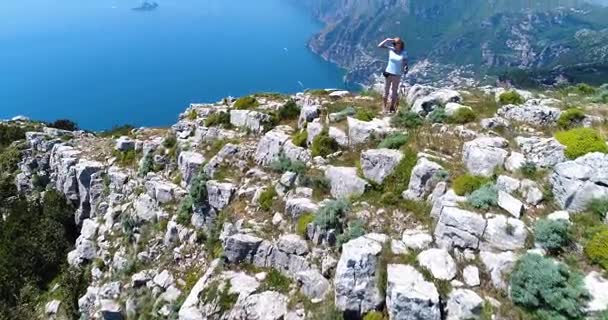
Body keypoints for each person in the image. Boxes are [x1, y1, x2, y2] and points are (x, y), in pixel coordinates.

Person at [378, 37, 409, 113]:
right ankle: (384, 106)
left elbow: (405, 62)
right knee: (386, 91)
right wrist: (387, 40)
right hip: (388, 73)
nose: (394, 45)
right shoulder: (391, 49)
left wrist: (405, 67)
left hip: (397, 74)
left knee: (394, 92)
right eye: (393, 43)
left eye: (396, 43)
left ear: (400, 44)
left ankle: (392, 107)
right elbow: (379, 46)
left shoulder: (403, 53)